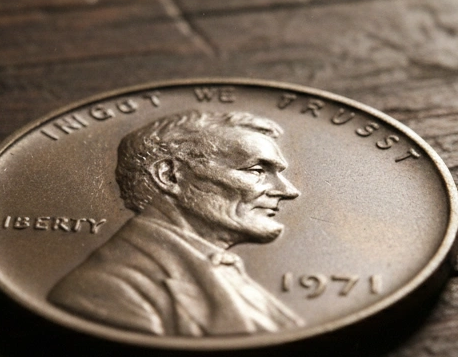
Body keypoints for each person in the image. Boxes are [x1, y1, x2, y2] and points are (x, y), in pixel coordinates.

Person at [48, 109, 305, 337]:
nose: (288, 190)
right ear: (169, 175)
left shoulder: (222, 268)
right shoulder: (105, 289)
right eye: (257, 171)